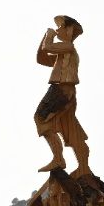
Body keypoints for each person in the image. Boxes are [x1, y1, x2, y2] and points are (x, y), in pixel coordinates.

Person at [34, 15, 90, 174]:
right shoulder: (63, 54)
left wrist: (50, 36)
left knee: (41, 118)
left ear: (69, 30)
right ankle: (82, 166)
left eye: (60, 27)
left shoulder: (68, 47)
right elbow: (42, 58)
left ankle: (58, 158)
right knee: (69, 125)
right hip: (64, 90)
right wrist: (45, 37)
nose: (57, 29)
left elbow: (48, 48)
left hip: (61, 90)